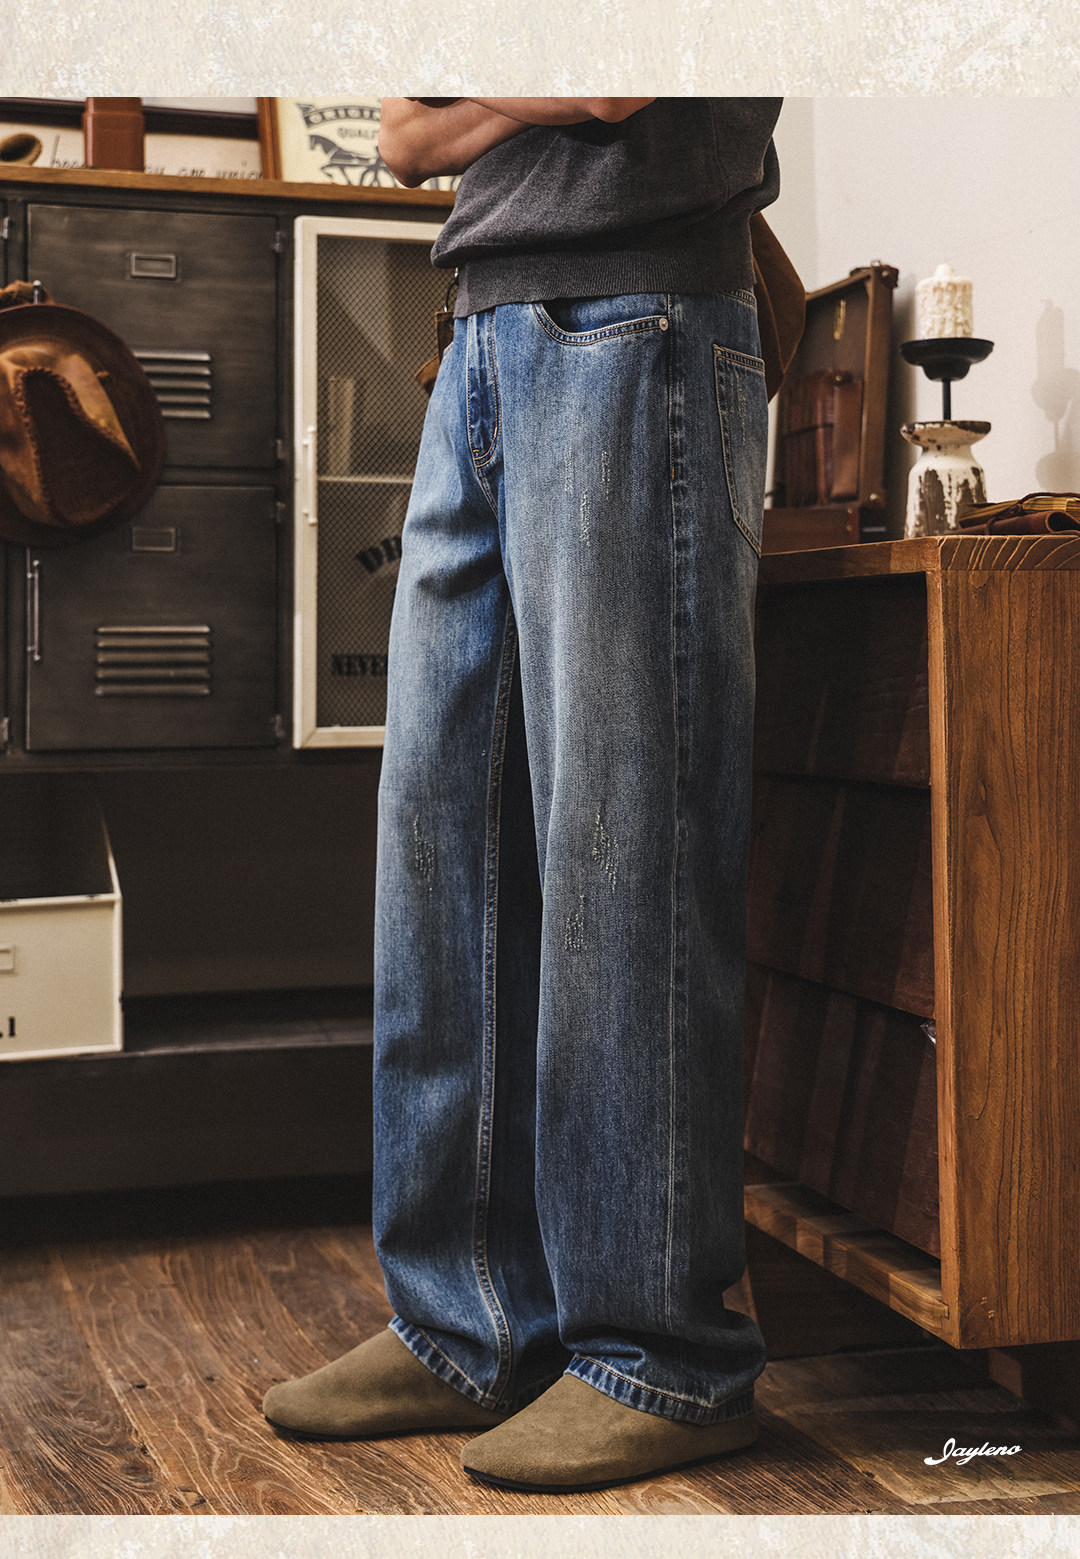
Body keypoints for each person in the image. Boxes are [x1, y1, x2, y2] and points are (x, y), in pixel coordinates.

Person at [263, 96, 783, 1495]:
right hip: (481, 339)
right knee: (441, 854)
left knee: (625, 850)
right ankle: (467, 1323)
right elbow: (400, 134)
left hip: (641, 320)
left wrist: (480, 99)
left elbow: (611, 82)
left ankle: (662, 1356)